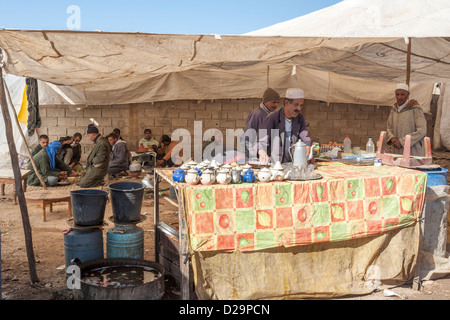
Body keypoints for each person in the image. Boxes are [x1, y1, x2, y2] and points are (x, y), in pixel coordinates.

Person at [257, 88, 311, 165]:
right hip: (276, 164)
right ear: (286, 102)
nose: (299, 108)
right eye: (296, 105)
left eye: (301, 105)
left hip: (293, 163)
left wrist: (308, 147)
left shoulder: (300, 118)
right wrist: (262, 151)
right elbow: (262, 140)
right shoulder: (272, 118)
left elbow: (305, 136)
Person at [386, 83, 427, 156]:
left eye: (402, 94)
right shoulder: (394, 109)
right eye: (397, 94)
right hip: (397, 150)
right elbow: (389, 127)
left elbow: (422, 130)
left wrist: (402, 141)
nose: (399, 97)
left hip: (413, 151)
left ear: (408, 95)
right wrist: (392, 138)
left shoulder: (415, 109)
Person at [242, 88, 280, 160]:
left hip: (265, 152)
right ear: (266, 101)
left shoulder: (271, 115)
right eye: (273, 102)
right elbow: (248, 137)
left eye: (278, 102)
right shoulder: (257, 114)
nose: (276, 105)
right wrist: (251, 156)